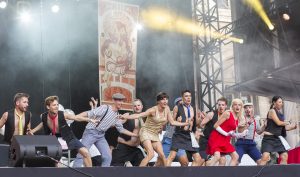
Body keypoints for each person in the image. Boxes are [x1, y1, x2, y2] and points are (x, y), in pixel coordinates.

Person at [120, 92, 189, 166]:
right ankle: (138, 173)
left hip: (154, 134)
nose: (165, 101)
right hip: (145, 132)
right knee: (151, 154)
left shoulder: (167, 109)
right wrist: (126, 117)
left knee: (162, 155)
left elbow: (172, 122)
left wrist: (184, 123)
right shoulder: (152, 110)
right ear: (158, 101)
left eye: (166, 99)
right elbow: (139, 115)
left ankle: (166, 173)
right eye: (162, 99)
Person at [29, 96, 98, 167]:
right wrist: (33, 130)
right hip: (55, 138)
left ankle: (90, 173)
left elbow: (76, 117)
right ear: (48, 107)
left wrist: (89, 120)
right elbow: (43, 123)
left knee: (86, 152)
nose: (56, 107)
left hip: (68, 136)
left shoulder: (62, 114)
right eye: (54, 105)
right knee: (55, 160)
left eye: (57, 105)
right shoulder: (43, 116)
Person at [73, 93, 138, 167]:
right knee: (82, 154)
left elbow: (121, 130)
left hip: (101, 135)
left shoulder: (117, 115)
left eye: (122, 101)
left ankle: (103, 174)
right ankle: (74, 173)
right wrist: (74, 117)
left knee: (107, 157)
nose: (121, 102)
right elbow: (88, 113)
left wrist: (135, 135)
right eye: (119, 100)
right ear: (113, 100)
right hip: (91, 132)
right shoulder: (105, 108)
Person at [167, 90, 202, 166]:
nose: (188, 98)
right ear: (182, 98)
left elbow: (197, 124)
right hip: (179, 135)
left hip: (189, 135)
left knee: (198, 159)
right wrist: (177, 120)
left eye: (189, 96)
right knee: (171, 156)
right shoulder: (177, 107)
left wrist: (199, 119)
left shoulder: (194, 108)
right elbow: (171, 123)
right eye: (186, 96)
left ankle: (189, 174)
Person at [206, 98, 246, 166]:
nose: (237, 106)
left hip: (225, 140)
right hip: (217, 138)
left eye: (239, 105)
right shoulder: (228, 113)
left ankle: (227, 173)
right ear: (232, 106)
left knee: (235, 157)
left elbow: (231, 133)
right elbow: (215, 126)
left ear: (241, 107)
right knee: (217, 157)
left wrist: (241, 134)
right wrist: (226, 134)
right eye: (235, 105)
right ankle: (204, 169)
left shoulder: (238, 117)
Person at [260, 96, 297, 165]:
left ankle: (282, 174)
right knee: (265, 157)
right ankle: (257, 174)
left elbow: (283, 128)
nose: (281, 104)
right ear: (274, 102)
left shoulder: (281, 115)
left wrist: (294, 127)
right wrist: (288, 122)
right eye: (279, 102)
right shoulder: (271, 111)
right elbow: (278, 123)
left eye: (282, 102)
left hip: (277, 138)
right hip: (268, 139)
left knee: (284, 156)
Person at [111, 99, 145, 166]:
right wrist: (118, 120)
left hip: (135, 149)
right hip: (124, 148)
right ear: (132, 108)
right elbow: (115, 124)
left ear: (142, 106)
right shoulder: (128, 115)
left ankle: (128, 164)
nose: (137, 107)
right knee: (115, 168)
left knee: (142, 166)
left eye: (138, 105)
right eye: (135, 106)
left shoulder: (144, 118)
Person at [159, 97, 189, 166]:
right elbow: (169, 131)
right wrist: (176, 121)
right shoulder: (170, 113)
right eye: (179, 104)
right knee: (160, 163)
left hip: (179, 142)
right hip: (168, 141)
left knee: (185, 163)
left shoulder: (186, 115)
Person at [199, 97, 228, 166]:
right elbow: (201, 124)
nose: (221, 107)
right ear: (217, 105)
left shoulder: (227, 116)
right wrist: (202, 130)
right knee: (202, 160)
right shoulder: (211, 114)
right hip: (206, 140)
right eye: (219, 105)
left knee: (223, 160)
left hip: (218, 142)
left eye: (223, 105)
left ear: (226, 106)